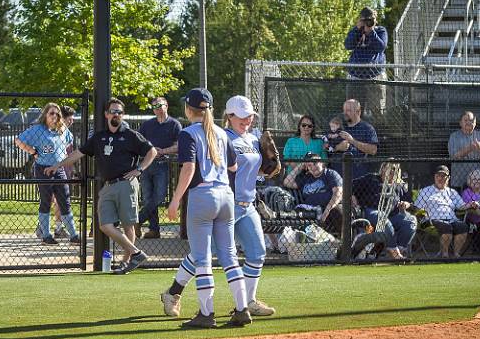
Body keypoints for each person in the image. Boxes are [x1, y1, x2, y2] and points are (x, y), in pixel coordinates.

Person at [160, 95, 275, 320]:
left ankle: (247, 302)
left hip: (246, 203)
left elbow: (244, 169)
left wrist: (265, 170)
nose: (247, 120)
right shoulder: (222, 135)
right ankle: (174, 292)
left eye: (250, 115)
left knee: (257, 253)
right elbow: (226, 168)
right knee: (204, 255)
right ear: (228, 116)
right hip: (227, 201)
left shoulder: (253, 138)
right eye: (241, 116)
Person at [46, 97, 156, 274]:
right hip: (107, 186)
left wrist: (140, 169)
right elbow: (78, 153)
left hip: (126, 184)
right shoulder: (99, 137)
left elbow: (152, 151)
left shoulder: (130, 135)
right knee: (104, 225)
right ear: (106, 114)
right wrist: (58, 165)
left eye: (119, 112)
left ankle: (126, 262)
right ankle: (136, 253)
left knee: (128, 225)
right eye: (113, 111)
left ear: (123, 114)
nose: (116, 114)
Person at [16, 103, 80, 245]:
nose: (55, 116)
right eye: (51, 113)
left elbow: (69, 142)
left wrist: (60, 155)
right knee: (46, 201)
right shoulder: (38, 129)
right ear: (45, 114)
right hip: (43, 169)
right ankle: (46, 235)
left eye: (57, 114)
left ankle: (74, 235)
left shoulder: (62, 129)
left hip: (59, 170)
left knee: (65, 201)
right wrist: (33, 152)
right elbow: (18, 140)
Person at [137, 96, 181, 239]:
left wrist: (162, 151)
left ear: (166, 106)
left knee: (160, 196)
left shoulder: (175, 124)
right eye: (154, 107)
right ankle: (154, 230)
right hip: (146, 164)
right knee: (148, 198)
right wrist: (150, 149)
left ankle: (137, 221)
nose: (156, 109)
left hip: (163, 163)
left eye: (159, 105)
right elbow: (138, 142)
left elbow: (179, 146)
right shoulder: (147, 125)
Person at [352, 162, 417, 259]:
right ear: (382, 169)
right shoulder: (371, 179)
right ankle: (395, 253)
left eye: (395, 169)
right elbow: (349, 186)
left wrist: (405, 204)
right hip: (372, 212)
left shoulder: (399, 186)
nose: (392, 171)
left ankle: (399, 248)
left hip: (393, 215)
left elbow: (410, 202)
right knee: (383, 217)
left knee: (411, 220)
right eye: (390, 168)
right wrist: (353, 199)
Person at [414, 165, 479, 258]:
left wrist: (471, 204)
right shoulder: (425, 191)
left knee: (463, 226)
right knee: (446, 226)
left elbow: (461, 206)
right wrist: (422, 215)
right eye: (438, 176)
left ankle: (456, 254)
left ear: (448, 178)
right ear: (434, 177)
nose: (441, 178)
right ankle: (445, 254)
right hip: (431, 220)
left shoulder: (452, 192)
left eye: (444, 176)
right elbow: (417, 208)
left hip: (451, 219)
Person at [344, 7, 388, 119]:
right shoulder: (356, 30)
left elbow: (381, 47)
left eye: (371, 19)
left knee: (378, 111)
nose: (368, 22)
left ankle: (378, 135)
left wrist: (371, 32)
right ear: (360, 19)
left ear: (375, 19)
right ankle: (354, 135)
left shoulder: (380, 31)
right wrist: (357, 29)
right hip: (356, 77)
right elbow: (348, 45)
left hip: (375, 77)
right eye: (365, 19)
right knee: (354, 111)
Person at [283, 152, 343, 232]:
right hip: (308, 212)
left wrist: (326, 212)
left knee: (338, 210)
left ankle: (343, 242)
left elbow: (338, 194)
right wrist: (300, 166)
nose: (313, 167)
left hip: (328, 209)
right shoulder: (306, 178)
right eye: (309, 165)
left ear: (321, 162)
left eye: (315, 163)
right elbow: (287, 182)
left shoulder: (330, 174)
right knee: (295, 214)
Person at [333, 99, 379, 179]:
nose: (345, 113)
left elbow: (373, 150)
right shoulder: (338, 127)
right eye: (344, 110)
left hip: (358, 178)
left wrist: (352, 141)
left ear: (358, 112)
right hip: (337, 178)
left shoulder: (367, 128)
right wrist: (337, 147)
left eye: (348, 111)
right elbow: (325, 147)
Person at [448, 111, 480, 189]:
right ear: (460, 123)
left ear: (475, 123)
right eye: (465, 120)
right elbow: (453, 156)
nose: (469, 122)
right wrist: (469, 149)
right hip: (459, 180)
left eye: (471, 121)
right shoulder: (454, 136)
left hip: (477, 181)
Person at [51, 105, 77, 238]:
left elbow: (70, 154)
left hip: (65, 170)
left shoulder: (68, 134)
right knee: (53, 199)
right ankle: (47, 227)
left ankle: (58, 227)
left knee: (60, 200)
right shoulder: (52, 132)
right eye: (69, 119)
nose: (71, 122)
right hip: (54, 169)